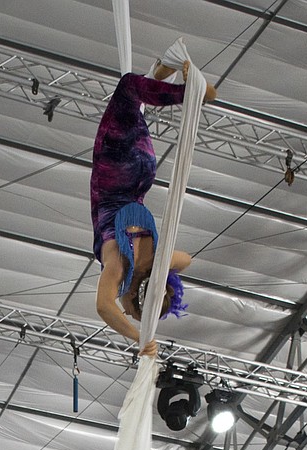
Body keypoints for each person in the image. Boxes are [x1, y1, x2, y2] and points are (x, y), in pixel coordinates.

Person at [91, 59, 217, 349]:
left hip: (144, 172)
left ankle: (160, 74)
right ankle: (189, 94)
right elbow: (103, 306)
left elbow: (186, 260)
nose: (125, 311)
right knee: (128, 88)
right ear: (133, 298)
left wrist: (161, 275)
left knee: (132, 105)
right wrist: (140, 338)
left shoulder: (158, 260)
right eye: (131, 311)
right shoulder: (119, 264)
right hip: (115, 168)